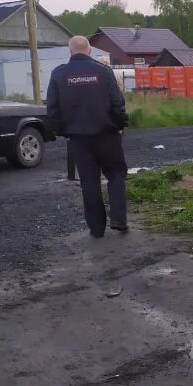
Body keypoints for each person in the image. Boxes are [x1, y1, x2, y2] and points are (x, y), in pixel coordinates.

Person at [46, 36, 129, 238]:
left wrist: (59, 130)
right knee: (116, 175)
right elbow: (117, 103)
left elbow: (52, 108)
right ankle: (118, 219)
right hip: (107, 134)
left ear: (70, 51)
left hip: (79, 139)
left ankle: (96, 228)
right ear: (90, 51)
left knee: (89, 182)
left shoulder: (58, 74)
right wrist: (120, 124)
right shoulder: (104, 71)